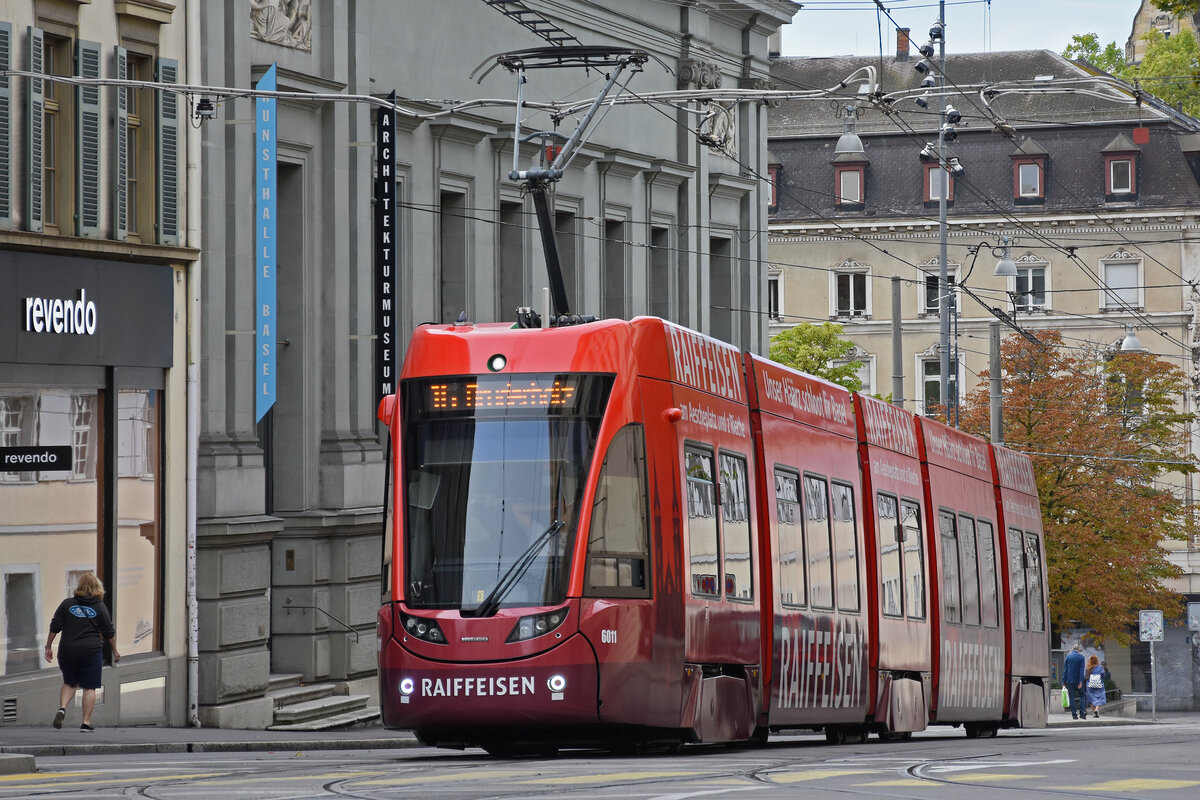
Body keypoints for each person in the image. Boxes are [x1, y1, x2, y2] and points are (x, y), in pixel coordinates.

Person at [43, 573, 120, 732]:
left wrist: (48, 646)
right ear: (97, 587)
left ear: (79, 587)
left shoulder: (67, 604)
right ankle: (86, 722)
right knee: (89, 687)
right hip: (90, 651)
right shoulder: (99, 606)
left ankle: (62, 708)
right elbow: (108, 632)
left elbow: (55, 626)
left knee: (70, 682)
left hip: (67, 650)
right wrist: (115, 650)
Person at [1062, 643, 1086, 720]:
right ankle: (1082, 713)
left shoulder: (1068, 657)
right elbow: (1081, 670)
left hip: (1069, 681)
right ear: (1078, 650)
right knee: (1082, 695)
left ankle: (1074, 715)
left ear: (1073, 649)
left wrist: (1064, 681)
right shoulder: (1081, 657)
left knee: (1072, 697)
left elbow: (1065, 670)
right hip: (1078, 680)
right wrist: (1080, 681)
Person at [1085, 654, 1107, 718]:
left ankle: (1094, 712)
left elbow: (1086, 677)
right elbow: (1103, 676)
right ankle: (1096, 709)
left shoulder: (1088, 668)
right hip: (1098, 684)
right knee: (1099, 697)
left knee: (1092, 699)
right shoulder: (1100, 668)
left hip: (1090, 685)